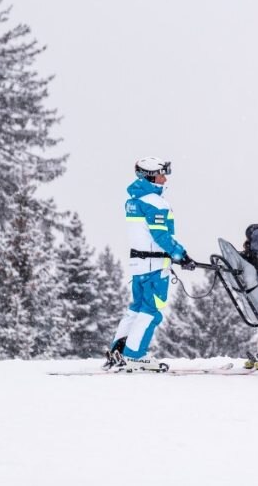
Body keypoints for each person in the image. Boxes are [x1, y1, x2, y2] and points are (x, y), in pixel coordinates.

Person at [103, 156, 196, 371]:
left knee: (136, 309)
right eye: (162, 174)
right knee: (151, 311)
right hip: (155, 265)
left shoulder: (133, 201)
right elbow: (161, 236)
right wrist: (181, 255)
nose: (165, 179)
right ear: (151, 177)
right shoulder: (155, 203)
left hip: (139, 264)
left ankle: (117, 351)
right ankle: (134, 356)